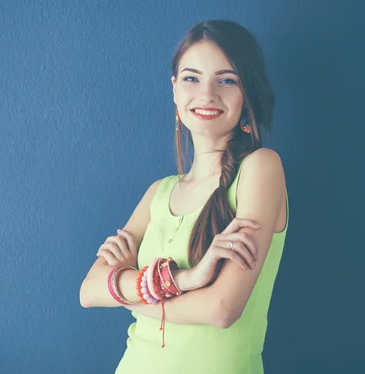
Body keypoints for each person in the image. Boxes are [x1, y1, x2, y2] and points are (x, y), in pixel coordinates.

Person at [79, 19, 289, 374]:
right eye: (192, 78)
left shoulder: (260, 169)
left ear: (247, 92)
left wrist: (130, 297)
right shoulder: (158, 193)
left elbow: (222, 309)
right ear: (175, 89)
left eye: (226, 80)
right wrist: (184, 281)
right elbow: (89, 291)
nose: (207, 94)